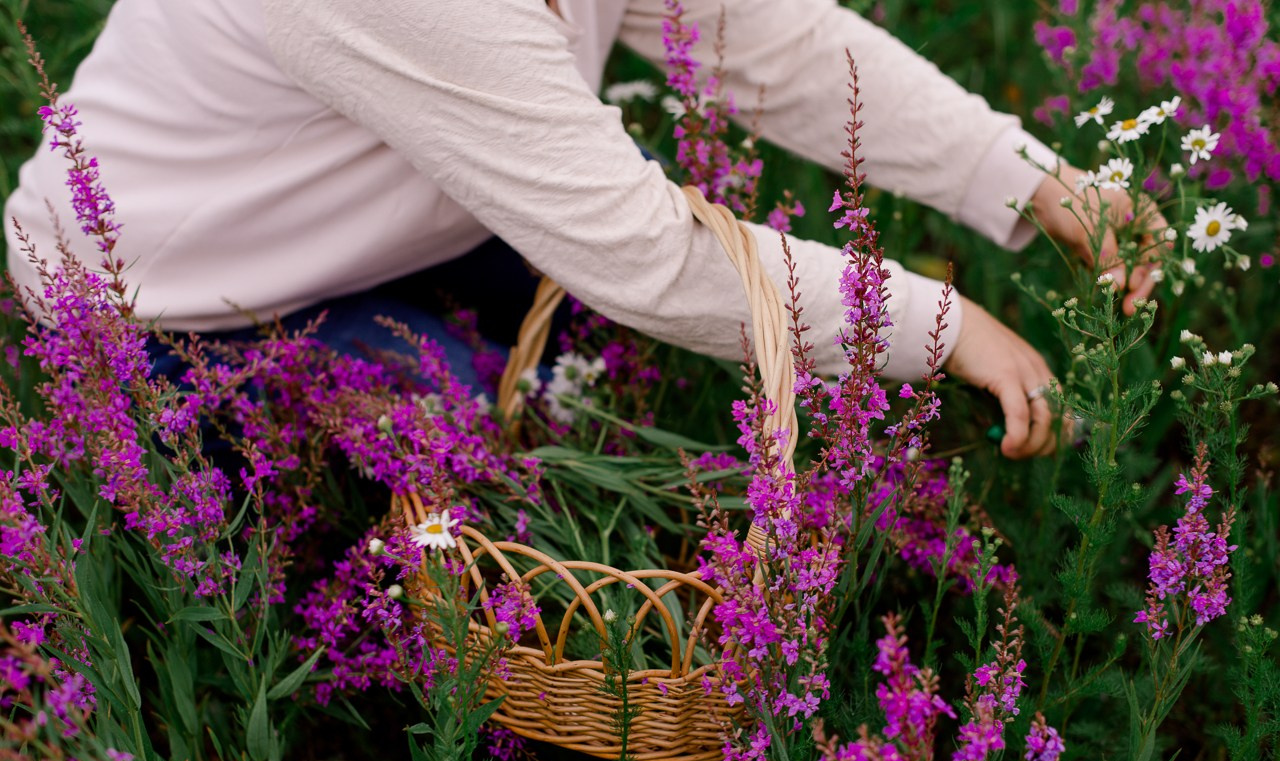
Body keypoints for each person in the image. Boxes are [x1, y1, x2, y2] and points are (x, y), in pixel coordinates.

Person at [4, 0, 1160, 459]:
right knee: (482, 470)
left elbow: (764, 41)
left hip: (392, 216)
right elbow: (640, 254)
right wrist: (942, 326)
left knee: (589, 406)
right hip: (166, 301)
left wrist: (1031, 181)